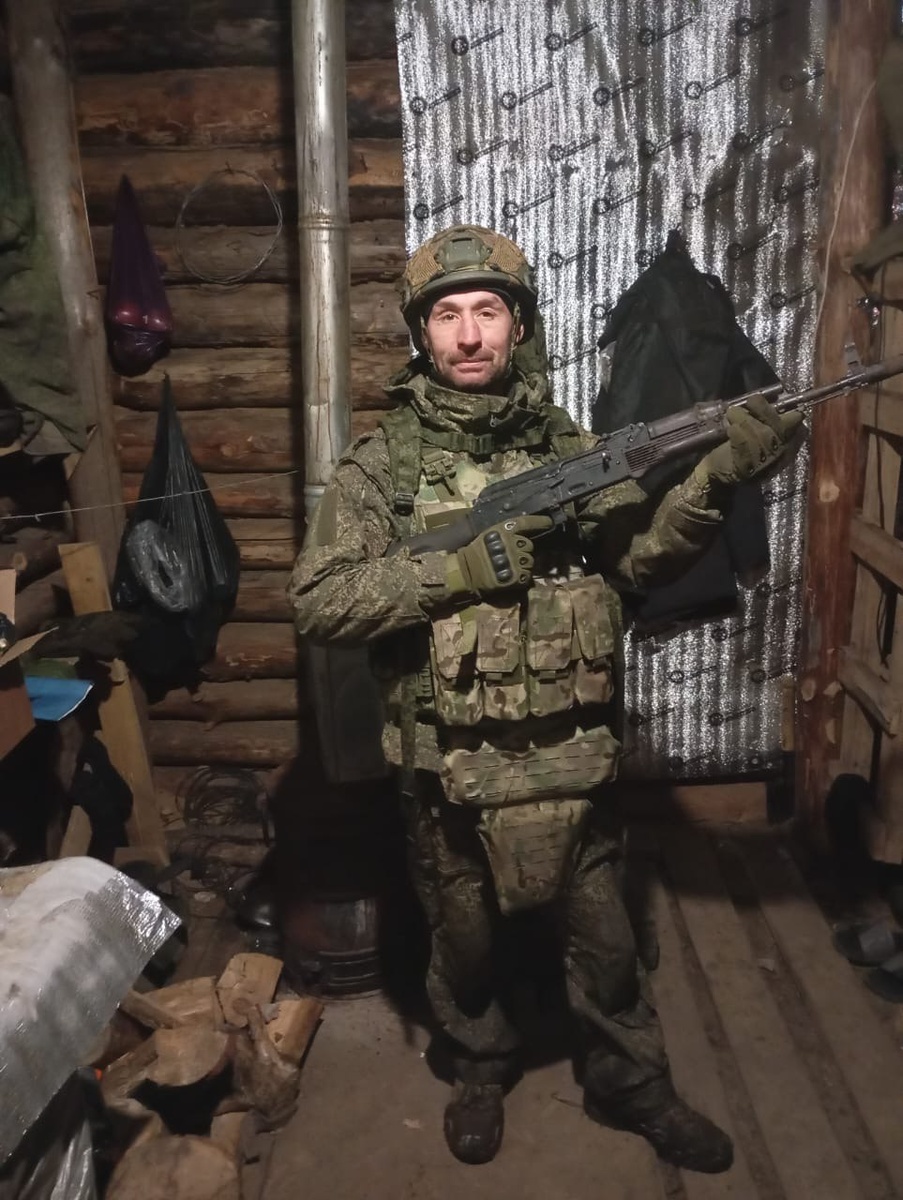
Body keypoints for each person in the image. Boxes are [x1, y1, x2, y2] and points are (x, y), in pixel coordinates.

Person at [288, 225, 802, 1174]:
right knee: (463, 940)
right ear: (421, 333)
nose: (468, 334)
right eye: (447, 315)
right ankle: (480, 1065)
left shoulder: (570, 448)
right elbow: (320, 601)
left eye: (487, 311)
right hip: (447, 763)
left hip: (571, 750)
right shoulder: (382, 467)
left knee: (606, 942)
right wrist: (456, 572)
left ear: (518, 326)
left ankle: (631, 1083)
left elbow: (637, 563)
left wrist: (717, 478)